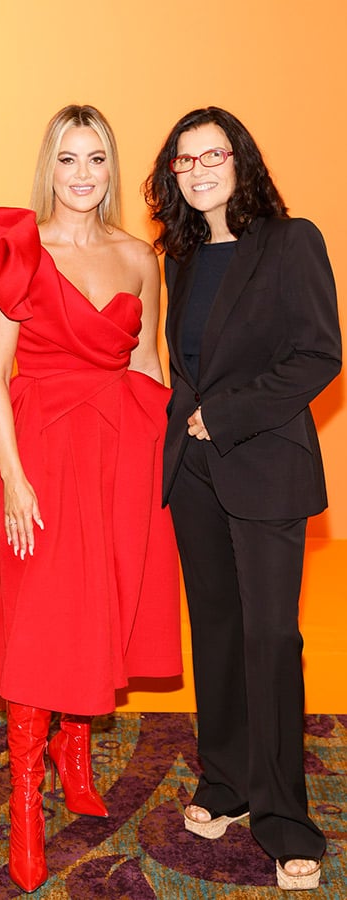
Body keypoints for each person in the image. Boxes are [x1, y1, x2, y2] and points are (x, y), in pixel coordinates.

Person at [0, 105, 181, 892]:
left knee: (101, 601)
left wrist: (167, 464)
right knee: (44, 618)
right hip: (36, 447)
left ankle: (75, 755)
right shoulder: (17, 251)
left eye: (98, 160)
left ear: (114, 169)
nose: (83, 175)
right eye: (69, 159)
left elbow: (148, 362)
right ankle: (26, 804)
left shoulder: (140, 256)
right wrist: (13, 477)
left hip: (118, 448)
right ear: (50, 166)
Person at [144, 107, 341, 891]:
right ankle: (225, 780)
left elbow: (317, 355)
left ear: (241, 160)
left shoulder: (293, 241)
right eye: (183, 161)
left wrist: (222, 415)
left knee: (270, 640)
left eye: (211, 155)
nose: (197, 170)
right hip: (193, 475)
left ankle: (284, 815)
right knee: (218, 633)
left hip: (263, 467)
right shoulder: (183, 257)